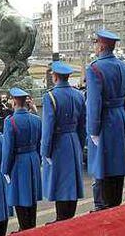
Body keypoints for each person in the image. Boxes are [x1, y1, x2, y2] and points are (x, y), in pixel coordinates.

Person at [86, 30, 125, 211]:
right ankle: (115, 206)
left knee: (102, 168)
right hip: (120, 117)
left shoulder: (94, 68)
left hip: (104, 121)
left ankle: (102, 207)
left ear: (100, 45)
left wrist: (93, 130)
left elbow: (94, 103)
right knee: (117, 168)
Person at [41, 61, 86, 223]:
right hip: (73, 140)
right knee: (71, 182)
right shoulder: (78, 95)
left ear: (55, 76)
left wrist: (45, 151)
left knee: (60, 182)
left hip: (59, 142)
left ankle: (61, 218)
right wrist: (79, 145)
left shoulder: (50, 96)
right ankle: (70, 217)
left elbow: (48, 128)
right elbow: (83, 125)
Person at [1, 88, 42, 232]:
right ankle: (32, 227)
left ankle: (25, 229)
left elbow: (8, 149)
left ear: (14, 101)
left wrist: (5, 170)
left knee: (20, 199)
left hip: (19, 162)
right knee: (32, 200)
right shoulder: (36, 119)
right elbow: (39, 144)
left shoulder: (10, 122)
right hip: (33, 160)